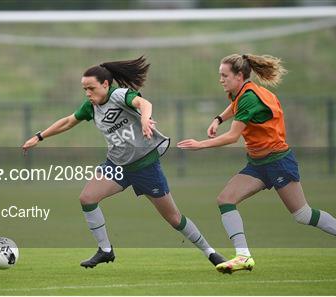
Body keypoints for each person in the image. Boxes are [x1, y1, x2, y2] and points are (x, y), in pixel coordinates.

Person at [22, 56, 226, 269]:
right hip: (117, 166)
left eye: (91, 88)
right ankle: (105, 250)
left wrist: (145, 119)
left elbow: (143, 103)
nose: (88, 93)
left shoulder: (118, 95)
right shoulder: (91, 106)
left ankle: (210, 252)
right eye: (85, 89)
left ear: (105, 84)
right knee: (87, 198)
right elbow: (68, 121)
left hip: (145, 166)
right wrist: (39, 137)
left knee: (174, 218)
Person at [177, 53, 336, 274]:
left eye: (225, 75)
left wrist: (200, 145)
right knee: (225, 199)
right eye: (220, 75)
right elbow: (236, 107)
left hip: (278, 162)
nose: (221, 80)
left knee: (303, 215)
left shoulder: (249, 97)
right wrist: (218, 119)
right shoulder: (241, 93)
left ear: (240, 76)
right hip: (258, 164)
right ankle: (243, 256)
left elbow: (232, 137)